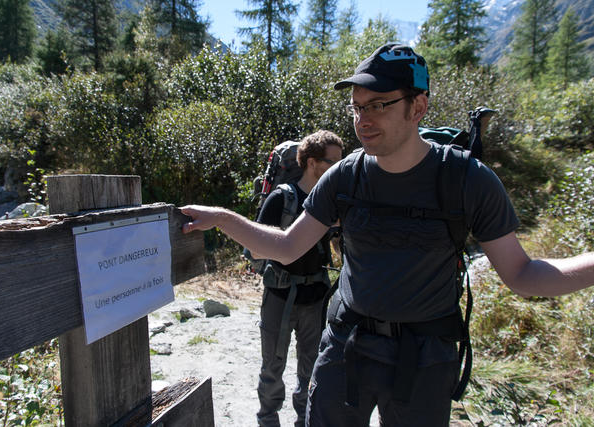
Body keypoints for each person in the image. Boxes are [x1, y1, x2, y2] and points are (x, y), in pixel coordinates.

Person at [181, 43, 594, 426]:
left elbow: (522, 273)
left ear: (418, 107)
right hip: (347, 345)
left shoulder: (466, 181)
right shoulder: (346, 175)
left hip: (426, 357)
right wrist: (221, 217)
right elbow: (288, 247)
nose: (363, 119)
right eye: (357, 107)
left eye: (378, 104)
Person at [254, 130, 343, 427]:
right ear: (312, 162)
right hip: (280, 296)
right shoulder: (283, 199)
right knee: (272, 369)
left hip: (316, 297)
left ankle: (304, 421)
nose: (338, 168)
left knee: (313, 369)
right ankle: (268, 421)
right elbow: (253, 249)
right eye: (333, 162)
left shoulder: (331, 202)